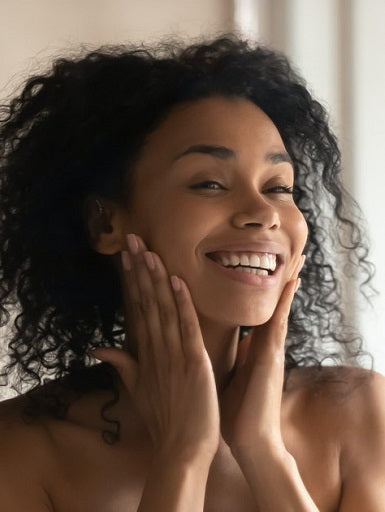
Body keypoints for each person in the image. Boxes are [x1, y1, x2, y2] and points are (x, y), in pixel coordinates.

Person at [0, 35, 384, 511]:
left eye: (279, 187)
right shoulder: (21, 449)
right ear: (106, 223)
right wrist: (183, 455)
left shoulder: (362, 412)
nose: (262, 213)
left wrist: (262, 449)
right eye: (209, 183)